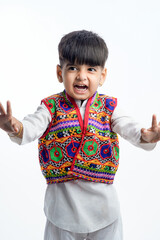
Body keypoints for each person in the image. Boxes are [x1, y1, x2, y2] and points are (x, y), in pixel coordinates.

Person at [0, 30, 160, 240]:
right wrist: (14, 127)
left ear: (102, 76)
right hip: (62, 208)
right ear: (60, 73)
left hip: (104, 209)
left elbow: (129, 127)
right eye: (73, 68)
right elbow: (30, 127)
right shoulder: (50, 107)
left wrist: (147, 137)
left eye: (91, 69)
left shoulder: (109, 107)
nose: (81, 76)